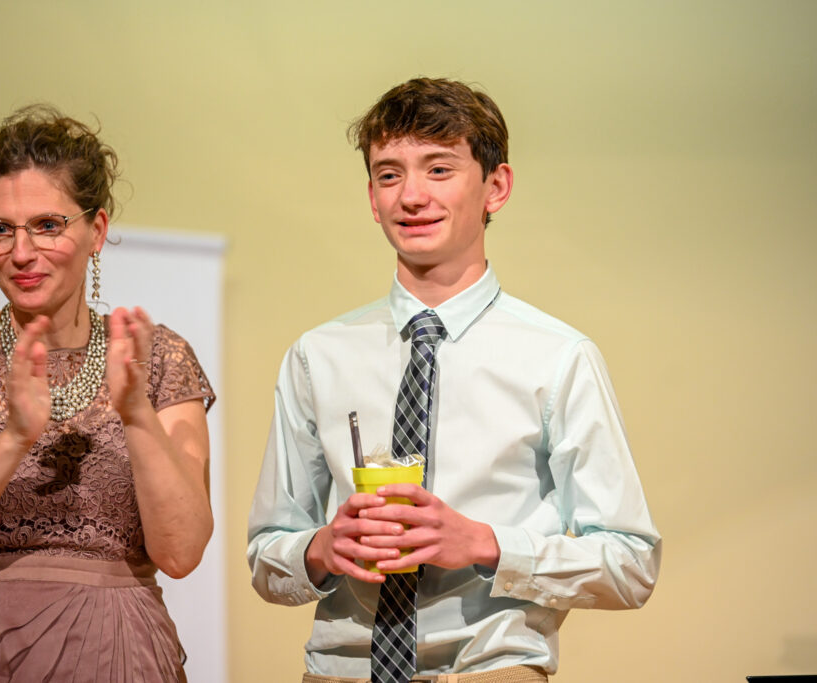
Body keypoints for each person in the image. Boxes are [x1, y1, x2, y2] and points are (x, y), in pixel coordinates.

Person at [247, 77, 661, 682]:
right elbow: (266, 557)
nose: (412, 195)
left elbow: (631, 564)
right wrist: (322, 549)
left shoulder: (559, 357)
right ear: (372, 198)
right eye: (389, 175)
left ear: (497, 187)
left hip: (489, 671)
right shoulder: (317, 355)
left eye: (439, 170)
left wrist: (487, 545)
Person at [0, 105, 215, 682]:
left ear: (97, 230)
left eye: (47, 225)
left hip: (118, 653)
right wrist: (12, 439)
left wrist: (136, 414)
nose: (21, 252)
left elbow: (181, 554)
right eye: (0, 229)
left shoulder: (158, 357)